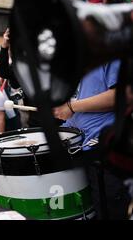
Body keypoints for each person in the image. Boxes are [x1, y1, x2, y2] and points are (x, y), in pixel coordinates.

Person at [53, 60, 131, 219]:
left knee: (112, 211)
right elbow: (84, 105)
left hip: (106, 152)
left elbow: (123, 94)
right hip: (84, 149)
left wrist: (71, 107)